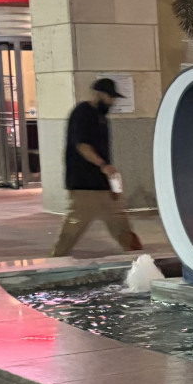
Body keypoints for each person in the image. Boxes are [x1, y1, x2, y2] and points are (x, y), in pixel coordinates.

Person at [51, 79, 141, 257]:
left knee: (122, 227)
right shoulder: (82, 113)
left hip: (103, 187)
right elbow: (82, 146)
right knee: (72, 231)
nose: (112, 102)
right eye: (110, 97)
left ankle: (140, 260)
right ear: (98, 94)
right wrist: (103, 165)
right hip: (85, 186)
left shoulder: (102, 118)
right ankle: (55, 261)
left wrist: (112, 185)